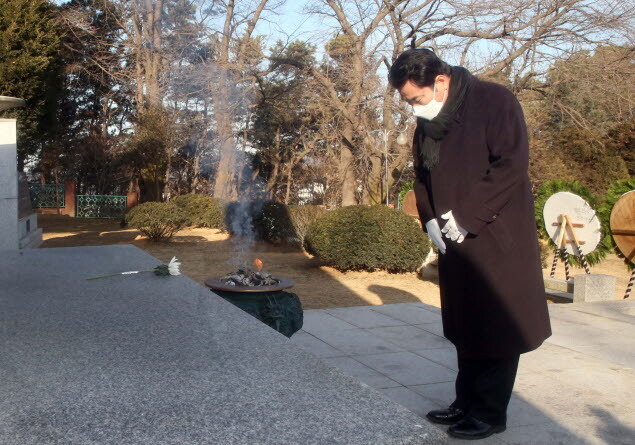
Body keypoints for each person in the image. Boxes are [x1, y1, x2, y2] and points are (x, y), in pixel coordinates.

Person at [388, 49, 552, 440]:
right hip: (451, 237)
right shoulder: (430, 122)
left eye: (415, 99)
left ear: (440, 81)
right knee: (467, 325)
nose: (414, 109)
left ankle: (490, 413)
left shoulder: (494, 100)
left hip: (495, 234)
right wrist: (428, 216)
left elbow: (511, 164)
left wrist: (468, 216)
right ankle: (466, 402)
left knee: (496, 325)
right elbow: (421, 173)